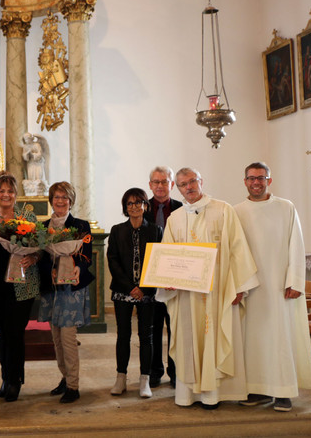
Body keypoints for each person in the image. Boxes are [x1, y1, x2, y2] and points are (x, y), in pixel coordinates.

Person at [156, 167, 259, 409]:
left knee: (216, 338)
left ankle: (215, 395)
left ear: (201, 182)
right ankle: (187, 395)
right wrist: (167, 279)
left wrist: (239, 288)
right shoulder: (175, 218)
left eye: (192, 181)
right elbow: (167, 256)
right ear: (177, 188)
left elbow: (238, 249)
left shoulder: (223, 210)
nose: (188, 187)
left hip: (218, 292)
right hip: (186, 295)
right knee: (187, 339)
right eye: (183, 184)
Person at [234, 162, 311, 412]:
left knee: (279, 339)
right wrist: (236, 285)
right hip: (251, 287)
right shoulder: (236, 211)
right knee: (253, 340)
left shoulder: (285, 207)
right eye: (251, 178)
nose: (256, 182)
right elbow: (233, 252)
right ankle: (257, 389)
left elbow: (297, 245)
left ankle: (283, 392)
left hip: (280, 286)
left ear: (270, 180)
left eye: (261, 178)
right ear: (244, 181)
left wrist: (295, 281)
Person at [0, 170, 40, 402]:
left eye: (10, 191)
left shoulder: (28, 218)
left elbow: (41, 247)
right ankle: (6, 377)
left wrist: (33, 257)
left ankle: (15, 380)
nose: (5, 195)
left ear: (16, 194)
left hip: (21, 285)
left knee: (16, 333)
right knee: (3, 334)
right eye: (1, 191)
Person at [37, 181, 94, 403]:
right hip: (52, 289)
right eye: (57, 197)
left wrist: (78, 266)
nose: (60, 201)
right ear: (51, 200)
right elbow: (40, 256)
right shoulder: (43, 227)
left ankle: (73, 385)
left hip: (71, 288)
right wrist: (48, 270)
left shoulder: (81, 225)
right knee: (56, 339)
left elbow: (86, 253)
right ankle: (65, 377)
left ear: (71, 201)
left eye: (65, 197)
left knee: (68, 337)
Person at [107, 187, 161, 399]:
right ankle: (121, 378)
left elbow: (158, 261)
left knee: (146, 336)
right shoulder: (117, 230)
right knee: (123, 335)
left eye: (139, 202)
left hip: (147, 292)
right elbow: (113, 260)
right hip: (123, 291)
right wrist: (130, 287)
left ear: (145, 206)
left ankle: (144, 380)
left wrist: (144, 288)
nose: (134, 207)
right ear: (125, 207)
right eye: (130, 203)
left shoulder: (155, 230)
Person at [143, 166, 182, 388]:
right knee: (153, 326)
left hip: (176, 276)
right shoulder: (141, 208)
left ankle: (176, 372)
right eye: (156, 182)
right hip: (151, 276)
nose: (160, 185)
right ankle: (155, 371)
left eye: (164, 181)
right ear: (150, 185)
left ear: (171, 185)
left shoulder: (182, 209)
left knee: (175, 326)